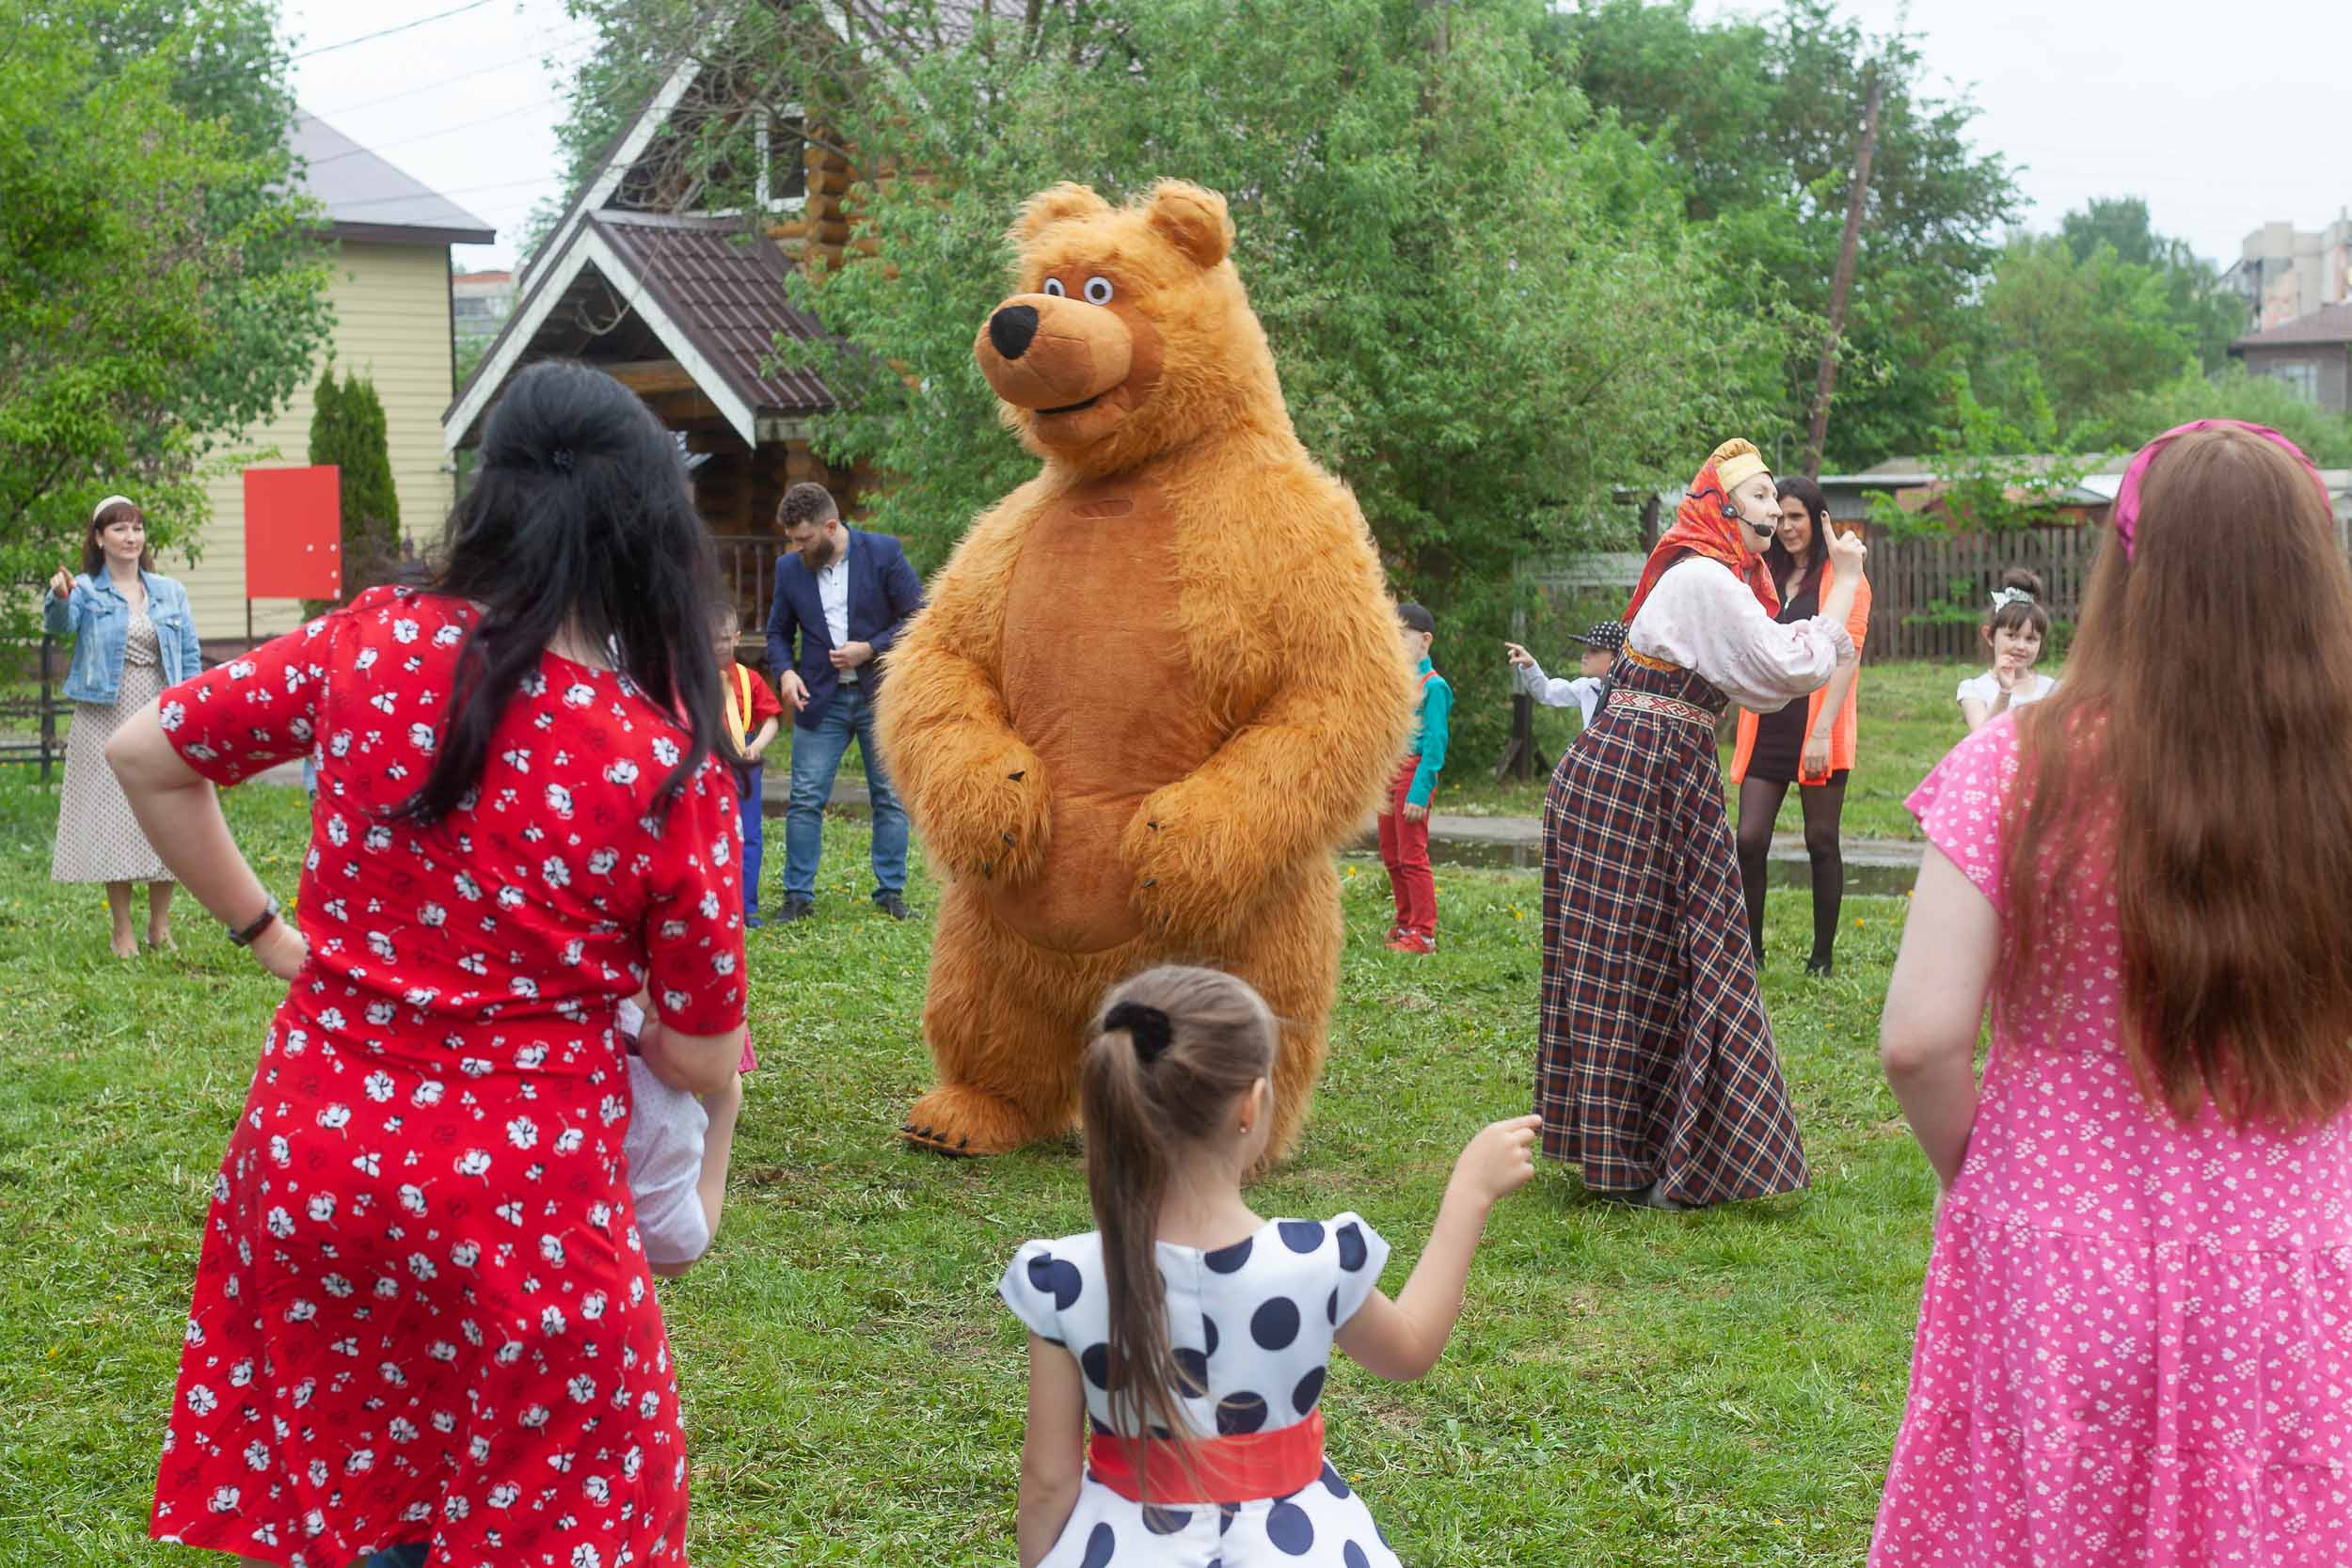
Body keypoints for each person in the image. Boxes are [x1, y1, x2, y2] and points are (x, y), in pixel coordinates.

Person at [108, 360, 750, 1568]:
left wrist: (273, 937)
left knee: (364, 1489)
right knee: (559, 1511)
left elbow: (147, 753)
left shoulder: (366, 642)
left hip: (314, 1157)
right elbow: (700, 1049)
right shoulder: (659, 765)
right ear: (648, 527)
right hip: (522, 1206)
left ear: (491, 492)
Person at [1873, 420, 2352, 1564]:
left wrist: (1996, 1169)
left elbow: (1920, 1042)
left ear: (2124, 570)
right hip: (2297, 1250)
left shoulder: (2017, 763)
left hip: (2058, 1248)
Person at [1000, 964, 1541, 1568]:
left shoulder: (1065, 1280)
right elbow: (1410, 1350)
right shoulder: (1314, 1261)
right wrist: (1468, 1194)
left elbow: (1047, 1480)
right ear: (1252, 1106)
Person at [1535, 438, 1866, 1210]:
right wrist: (1842, 581)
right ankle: (1641, 1162)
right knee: (1640, 961)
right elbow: (1786, 669)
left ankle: (1659, 1156)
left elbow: (1765, 683)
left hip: (1660, 771)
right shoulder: (1703, 576)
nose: (1769, 510)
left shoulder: (1721, 581)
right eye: (1755, 498)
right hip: (1632, 775)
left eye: (1774, 498)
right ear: (1719, 508)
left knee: (1679, 957)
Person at [43, 497, 204, 957]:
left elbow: (189, 656)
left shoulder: (169, 591)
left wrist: (190, 711)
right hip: (104, 714)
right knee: (115, 815)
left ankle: (160, 926)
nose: (130, 537)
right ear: (99, 539)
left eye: (136, 529)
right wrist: (58, 596)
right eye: (119, 530)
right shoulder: (87, 591)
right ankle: (122, 930)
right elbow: (60, 625)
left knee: (167, 814)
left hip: (159, 709)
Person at [764, 481, 925, 923]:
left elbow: (918, 616)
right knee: (804, 798)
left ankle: (890, 894)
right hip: (820, 698)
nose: (796, 548)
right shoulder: (789, 570)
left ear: (830, 526)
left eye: (803, 539)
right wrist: (787, 671)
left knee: (889, 797)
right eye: (792, 540)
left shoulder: (884, 553)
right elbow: (777, 632)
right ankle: (797, 897)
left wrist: (869, 649)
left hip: (881, 696)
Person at [1729, 477, 1870, 977]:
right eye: (1779, 517)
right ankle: (1752, 952)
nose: (1785, 526)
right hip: (1766, 725)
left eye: (1796, 517)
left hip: (1818, 727)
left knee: (1821, 840)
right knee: (1748, 840)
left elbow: (1845, 659)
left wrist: (1820, 733)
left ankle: (1822, 958)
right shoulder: (1760, 574)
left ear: (1817, 520)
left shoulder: (1844, 578)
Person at [1378, 603, 1451, 954]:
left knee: (1411, 855)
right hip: (1390, 771)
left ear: (1424, 640)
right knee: (1391, 854)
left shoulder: (1434, 686)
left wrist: (1420, 792)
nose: (1394, 641)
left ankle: (1423, 934)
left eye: (1401, 635)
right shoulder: (1396, 683)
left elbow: (1435, 746)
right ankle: (1405, 922)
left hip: (1413, 773)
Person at [717, 603, 785, 926]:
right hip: (709, 763)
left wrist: (757, 745)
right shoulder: (691, 678)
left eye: (723, 638)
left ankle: (747, 906)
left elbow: (771, 717)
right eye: (710, 639)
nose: (717, 645)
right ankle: (715, 901)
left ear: (736, 638)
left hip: (745, 766)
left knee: (749, 835)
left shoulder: (749, 679)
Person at [1956, 568, 2056, 730]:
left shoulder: (2051, 690)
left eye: (2030, 639)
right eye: (2012, 636)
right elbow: (1981, 738)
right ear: (1990, 636)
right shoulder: (1974, 690)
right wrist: (2004, 692)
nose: (2021, 646)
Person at [1505, 619, 1626, 729]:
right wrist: (1530, 666)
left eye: (1594, 650)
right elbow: (1546, 692)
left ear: (1616, 658)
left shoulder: (1632, 697)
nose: (1585, 655)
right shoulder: (1587, 688)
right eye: (1586, 649)